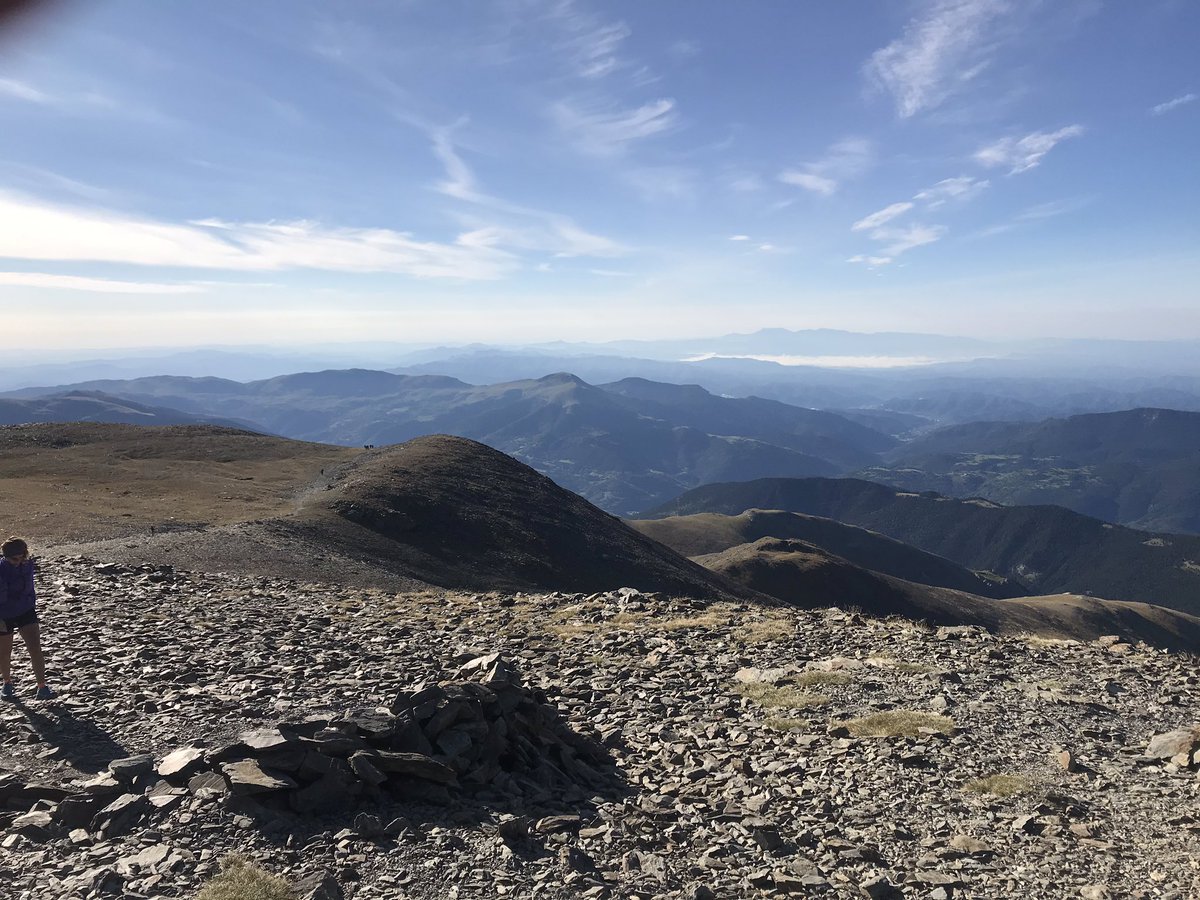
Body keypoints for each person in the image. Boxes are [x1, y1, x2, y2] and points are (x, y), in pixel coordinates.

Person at [0, 536, 53, 700]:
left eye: (22, 557)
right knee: (4, 653)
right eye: (14, 559)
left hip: (26, 610)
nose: (18, 561)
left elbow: (29, 587)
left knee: (35, 649)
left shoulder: (28, 564)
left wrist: (31, 602)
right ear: (5, 557)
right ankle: (7, 683)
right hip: (3, 614)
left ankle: (42, 686)